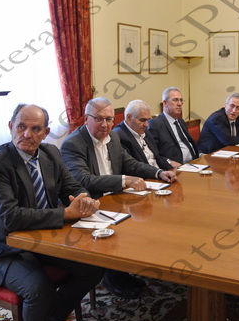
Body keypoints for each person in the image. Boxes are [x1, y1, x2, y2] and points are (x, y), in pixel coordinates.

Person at [0, 104, 104, 321]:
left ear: (46, 132)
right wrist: (65, 213)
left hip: (42, 240)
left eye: (35, 129)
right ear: (11, 126)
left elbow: (71, 187)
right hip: (2, 250)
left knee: (94, 267)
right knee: (39, 289)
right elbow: (10, 217)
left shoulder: (50, 153)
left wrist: (85, 200)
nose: (27, 134)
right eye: (21, 126)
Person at [61, 97, 176, 298]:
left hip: (115, 199)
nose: (105, 125)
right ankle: (111, 276)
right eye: (99, 119)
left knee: (147, 217)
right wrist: (124, 180)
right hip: (91, 204)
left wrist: (158, 172)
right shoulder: (73, 144)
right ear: (86, 119)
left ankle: (125, 270)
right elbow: (84, 179)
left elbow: (130, 163)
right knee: (128, 223)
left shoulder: (113, 137)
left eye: (109, 119)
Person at [113, 100, 174, 171]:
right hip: (146, 176)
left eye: (148, 120)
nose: (147, 125)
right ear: (129, 117)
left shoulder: (144, 130)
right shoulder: (119, 136)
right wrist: (159, 173)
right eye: (142, 120)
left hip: (161, 173)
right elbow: (132, 168)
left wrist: (172, 169)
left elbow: (157, 157)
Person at [148, 87, 199, 167]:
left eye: (181, 100)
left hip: (194, 163)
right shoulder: (155, 124)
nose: (179, 104)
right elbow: (152, 154)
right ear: (165, 103)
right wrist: (169, 162)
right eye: (175, 100)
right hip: (175, 168)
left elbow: (189, 144)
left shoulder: (181, 122)